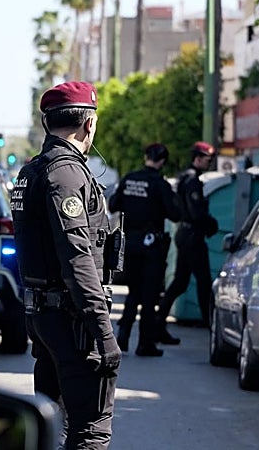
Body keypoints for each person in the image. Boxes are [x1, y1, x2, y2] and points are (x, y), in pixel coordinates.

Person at [11, 81, 121, 450]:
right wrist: (103, 330)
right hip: (71, 321)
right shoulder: (67, 174)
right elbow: (77, 256)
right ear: (89, 124)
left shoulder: (32, 171)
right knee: (90, 430)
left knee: (52, 426)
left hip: (45, 315)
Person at [108, 143, 182, 356]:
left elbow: (113, 205)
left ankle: (122, 337)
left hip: (130, 243)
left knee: (134, 291)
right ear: (163, 161)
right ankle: (145, 343)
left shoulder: (129, 179)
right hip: (151, 246)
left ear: (145, 157)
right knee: (149, 296)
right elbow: (175, 214)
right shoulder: (160, 185)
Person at [157, 141, 220, 335]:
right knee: (203, 281)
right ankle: (210, 325)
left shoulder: (186, 178)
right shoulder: (192, 180)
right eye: (207, 160)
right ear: (197, 158)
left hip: (185, 234)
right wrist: (211, 224)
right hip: (192, 236)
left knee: (180, 282)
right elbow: (197, 213)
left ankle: (158, 322)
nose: (209, 164)